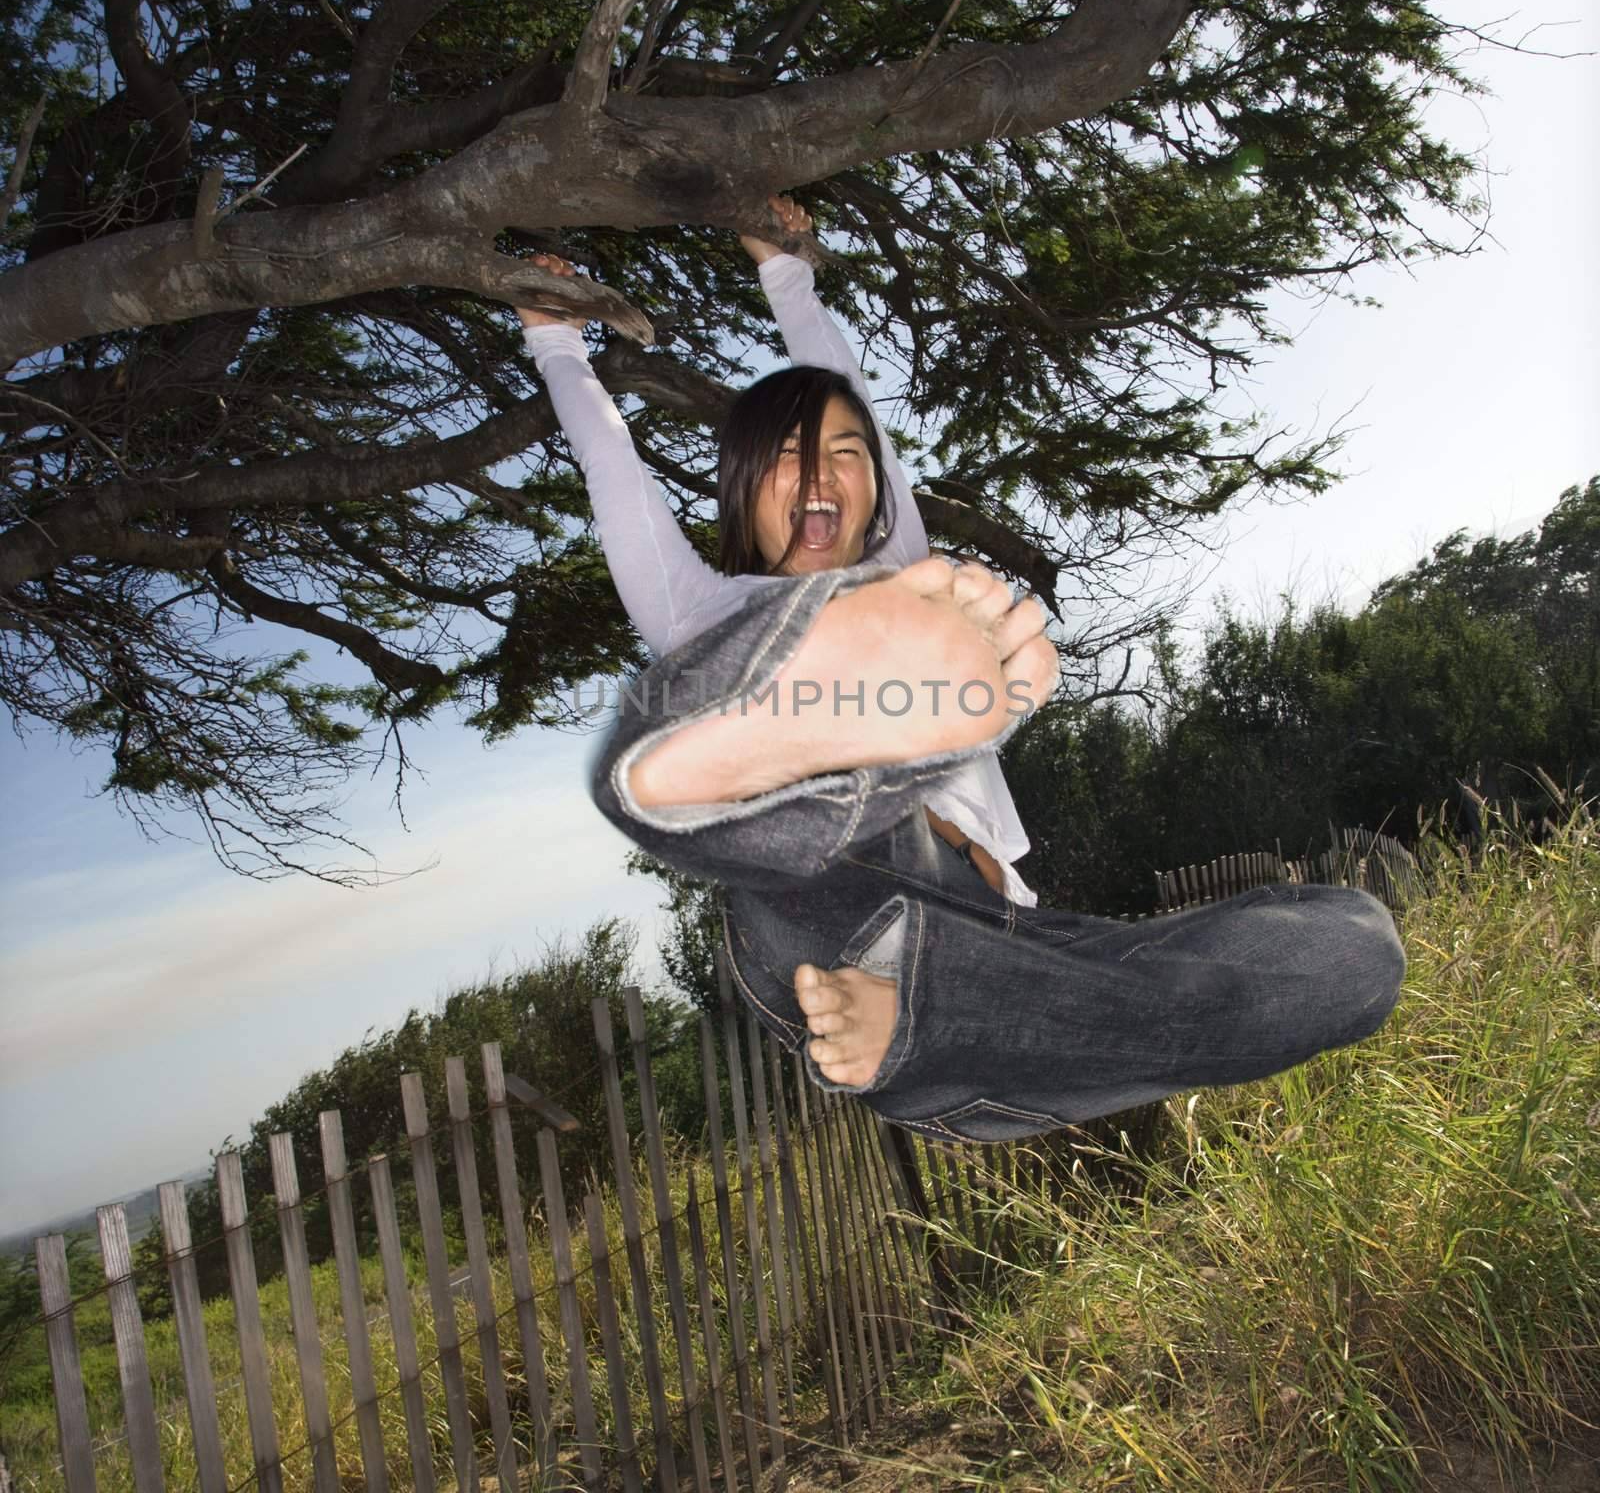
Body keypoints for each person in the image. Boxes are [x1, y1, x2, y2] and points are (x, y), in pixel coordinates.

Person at [514, 197, 1405, 1144]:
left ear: (874, 494)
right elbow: (615, 478)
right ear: (740, 492)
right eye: (783, 459)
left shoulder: (908, 579)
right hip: (833, 914)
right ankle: (755, 770)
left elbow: (849, 398)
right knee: (783, 892)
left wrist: (787, 269)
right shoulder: (705, 612)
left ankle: (922, 988)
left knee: (1355, 953)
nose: (818, 475)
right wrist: (558, 345)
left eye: (844, 456)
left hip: (1004, 957)